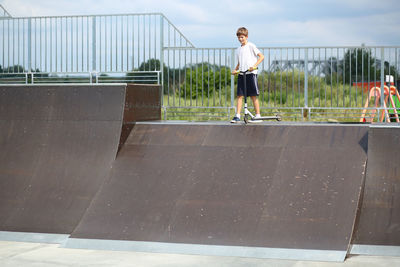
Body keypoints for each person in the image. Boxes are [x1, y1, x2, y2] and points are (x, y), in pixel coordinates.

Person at [231, 27, 264, 123]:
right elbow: (239, 62)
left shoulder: (251, 46)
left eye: (242, 37)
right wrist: (235, 70)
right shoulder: (238, 49)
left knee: (253, 95)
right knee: (240, 95)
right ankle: (237, 115)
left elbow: (261, 56)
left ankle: (258, 115)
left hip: (251, 74)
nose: (240, 39)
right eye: (239, 37)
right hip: (242, 74)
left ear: (246, 37)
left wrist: (254, 66)